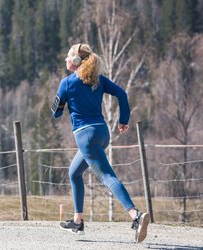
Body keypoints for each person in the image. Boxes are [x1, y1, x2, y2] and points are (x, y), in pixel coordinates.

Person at [51, 43, 150, 243]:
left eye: (69, 56)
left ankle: (136, 216)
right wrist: (123, 120)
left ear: (77, 61)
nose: (66, 59)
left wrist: (57, 105)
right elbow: (122, 94)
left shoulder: (67, 83)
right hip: (102, 133)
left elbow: (57, 113)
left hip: (85, 137)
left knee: (106, 177)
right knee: (74, 173)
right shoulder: (99, 80)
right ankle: (78, 222)